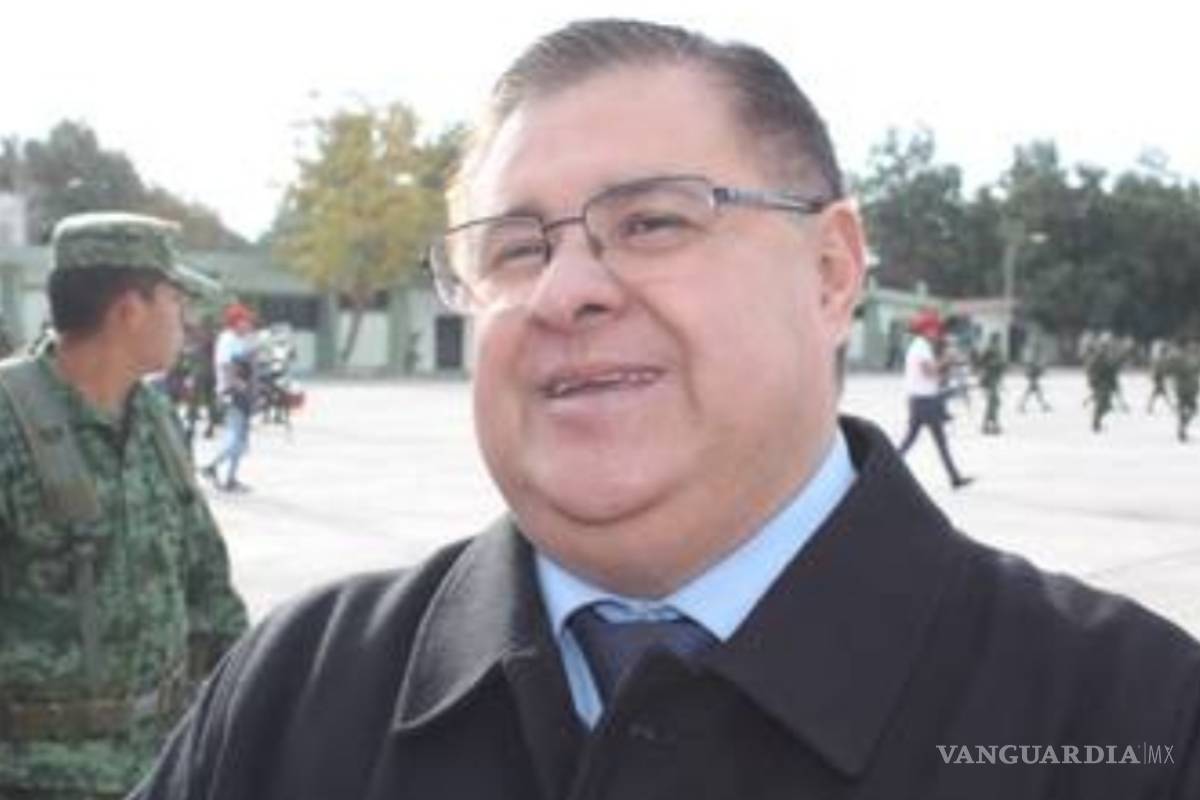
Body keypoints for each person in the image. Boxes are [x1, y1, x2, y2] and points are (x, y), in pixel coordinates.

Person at [132, 19, 1200, 799]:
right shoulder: (298, 693)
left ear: (831, 271)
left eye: (650, 222)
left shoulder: (1128, 723)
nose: (564, 291)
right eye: (514, 248)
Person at [0, 212, 247, 799]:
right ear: (129, 310)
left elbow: (206, 584)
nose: (185, 320)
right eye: (175, 300)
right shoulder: (9, 424)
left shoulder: (155, 418)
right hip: (35, 778)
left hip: (162, 767)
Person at [896, 310, 973, 488]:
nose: (937, 332)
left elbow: (932, 374)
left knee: (919, 440)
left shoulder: (920, 346)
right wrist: (947, 359)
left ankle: (955, 478)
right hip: (925, 402)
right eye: (934, 329)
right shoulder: (921, 348)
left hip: (922, 400)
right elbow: (929, 372)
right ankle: (955, 478)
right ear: (927, 330)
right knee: (929, 441)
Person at [200, 303, 256, 492]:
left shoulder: (241, 339)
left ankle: (231, 479)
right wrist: (236, 384)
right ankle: (211, 467)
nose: (248, 324)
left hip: (242, 393)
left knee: (241, 439)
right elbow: (225, 365)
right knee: (236, 438)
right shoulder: (227, 339)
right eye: (245, 320)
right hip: (231, 393)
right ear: (235, 322)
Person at [976, 331, 1006, 434]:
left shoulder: (996, 349)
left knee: (994, 402)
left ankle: (988, 425)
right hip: (989, 378)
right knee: (993, 402)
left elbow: (1000, 365)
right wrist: (992, 364)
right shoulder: (990, 349)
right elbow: (981, 362)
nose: (999, 341)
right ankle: (991, 425)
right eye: (998, 339)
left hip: (994, 378)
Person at [1169, 340, 1198, 443]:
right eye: (1192, 347)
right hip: (1183, 388)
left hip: (1191, 389)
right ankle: (1182, 427)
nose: (1194, 348)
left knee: (1191, 409)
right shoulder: (1180, 359)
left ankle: (1182, 427)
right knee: (1190, 408)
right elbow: (1175, 370)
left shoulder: (1194, 358)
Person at [1018, 340, 1052, 412]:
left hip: (1033, 374)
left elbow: (1036, 364)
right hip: (1032, 374)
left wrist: (1040, 369)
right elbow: (1030, 364)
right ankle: (1043, 406)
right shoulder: (1031, 354)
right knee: (1033, 391)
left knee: (1033, 391)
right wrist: (1036, 369)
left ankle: (1023, 405)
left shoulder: (1033, 354)